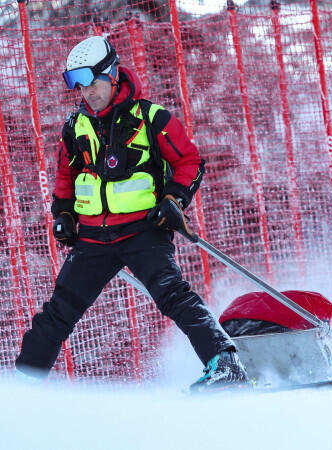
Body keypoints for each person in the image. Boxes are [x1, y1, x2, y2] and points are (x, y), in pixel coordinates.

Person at [14, 36, 248, 391]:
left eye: (92, 82)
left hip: (144, 231)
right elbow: (67, 173)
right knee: (59, 312)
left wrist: (174, 200)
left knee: (174, 296)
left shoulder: (152, 118)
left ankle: (226, 364)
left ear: (112, 74)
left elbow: (190, 162)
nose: (87, 92)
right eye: (79, 85)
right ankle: (21, 387)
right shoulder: (75, 126)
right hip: (93, 237)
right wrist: (63, 212)